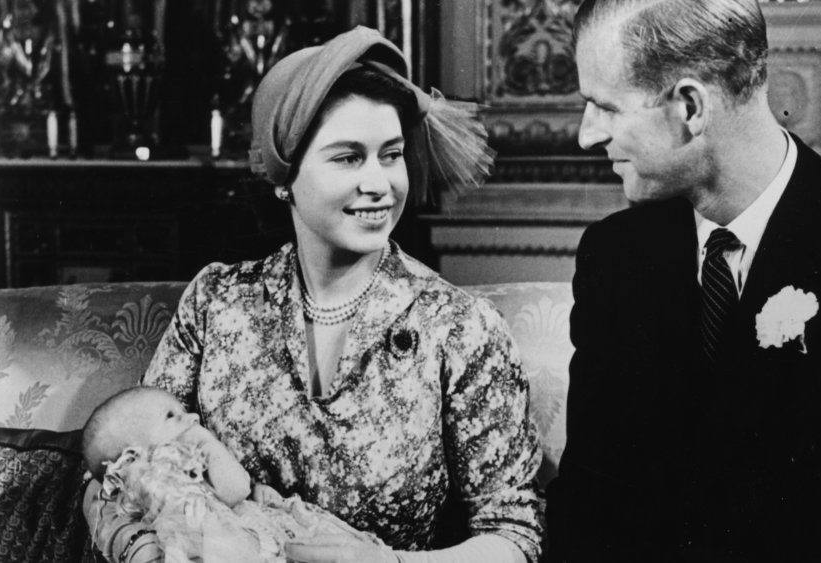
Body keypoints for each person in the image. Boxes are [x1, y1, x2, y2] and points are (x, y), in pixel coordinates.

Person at [545, 1, 821, 562]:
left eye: (604, 107)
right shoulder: (616, 257)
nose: (587, 135)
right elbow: (587, 504)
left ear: (690, 106)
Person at [83, 25, 543, 563]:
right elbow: (119, 473)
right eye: (348, 157)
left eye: (390, 155)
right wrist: (146, 553)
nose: (380, 183)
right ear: (285, 176)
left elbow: (516, 537)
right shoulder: (216, 303)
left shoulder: (460, 327)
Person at [83, 386, 381, 563]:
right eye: (172, 416)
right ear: (133, 454)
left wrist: (204, 444)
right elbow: (235, 488)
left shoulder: (178, 469)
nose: (193, 418)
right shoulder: (143, 483)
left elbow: (237, 491)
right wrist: (207, 442)